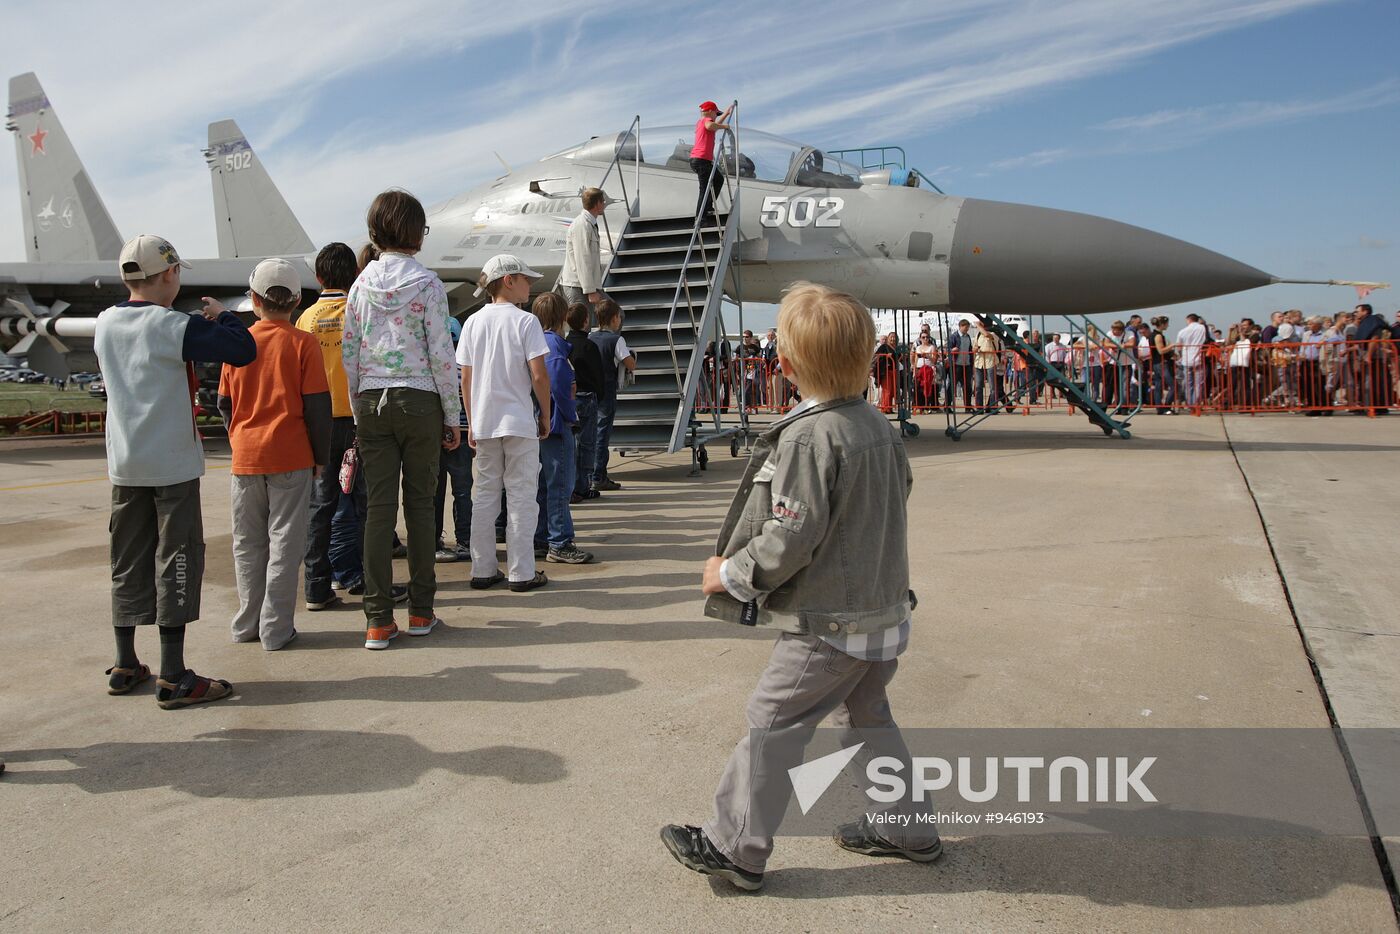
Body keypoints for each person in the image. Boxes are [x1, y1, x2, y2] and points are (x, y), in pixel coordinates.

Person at [660, 282, 935, 892]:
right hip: (884, 611)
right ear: (867, 358)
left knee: (773, 721)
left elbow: (790, 538)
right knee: (867, 716)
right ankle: (909, 828)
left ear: (783, 366)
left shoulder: (810, 437)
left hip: (829, 623)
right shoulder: (879, 426)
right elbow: (898, 497)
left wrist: (730, 575)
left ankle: (736, 848)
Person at [94, 234, 253, 708]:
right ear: (168, 275)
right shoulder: (170, 325)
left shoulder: (105, 323)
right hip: (171, 466)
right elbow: (242, 349)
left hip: (125, 465)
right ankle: (174, 674)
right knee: (177, 559)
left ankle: (125, 663)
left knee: (126, 561)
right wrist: (221, 314)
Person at [343, 189, 462, 650]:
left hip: (373, 398)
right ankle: (420, 611)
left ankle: (376, 620)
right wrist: (452, 415)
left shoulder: (360, 286)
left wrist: (358, 408)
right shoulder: (429, 284)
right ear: (416, 233)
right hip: (420, 398)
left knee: (378, 511)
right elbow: (441, 354)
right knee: (421, 506)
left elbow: (350, 354)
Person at [213, 258, 330, 651]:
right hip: (291, 455)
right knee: (285, 543)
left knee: (247, 543)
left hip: (246, 456)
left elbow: (224, 404)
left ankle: (246, 622)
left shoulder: (238, 344)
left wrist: (239, 439)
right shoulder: (302, 343)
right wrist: (320, 456)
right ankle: (276, 629)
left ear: (253, 299)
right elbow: (316, 407)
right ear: (296, 300)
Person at [297, 243, 410, 610]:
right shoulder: (359, 311)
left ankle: (316, 583)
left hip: (315, 421)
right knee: (366, 503)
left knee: (321, 504)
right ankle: (366, 577)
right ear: (355, 276)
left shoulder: (306, 319)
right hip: (358, 417)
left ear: (317, 277)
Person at [460, 254, 552, 592]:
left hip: (484, 421)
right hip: (518, 421)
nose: (531, 284)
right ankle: (521, 571)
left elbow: (466, 379)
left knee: (484, 495)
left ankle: (482, 569)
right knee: (521, 496)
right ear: (509, 280)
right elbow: (539, 376)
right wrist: (545, 412)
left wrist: (471, 421)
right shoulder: (526, 322)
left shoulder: (472, 322)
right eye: (526, 278)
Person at [531, 293, 594, 564]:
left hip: (539, 423)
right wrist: (571, 415)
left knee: (544, 485)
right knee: (560, 484)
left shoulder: (536, 341)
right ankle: (560, 541)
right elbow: (557, 385)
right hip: (556, 424)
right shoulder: (555, 345)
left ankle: (542, 537)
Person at [434, 314, 474, 562]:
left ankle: (434, 541)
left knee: (434, 493)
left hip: (435, 439)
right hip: (462, 437)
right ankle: (465, 542)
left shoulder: (431, 369)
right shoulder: (464, 369)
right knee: (463, 492)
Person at [589, 299, 636, 492]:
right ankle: (599, 475)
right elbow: (629, 363)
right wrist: (632, 356)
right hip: (607, 389)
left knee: (590, 433)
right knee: (603, 433)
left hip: (590, 389)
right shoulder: (617, 340)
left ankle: (590, 473)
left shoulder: (591, 337)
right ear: (615, 318)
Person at [565, 302, 604, 502]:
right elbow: (598, 375)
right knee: (587, 444)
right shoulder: (589, 345)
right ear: (585, 321)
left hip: (569, 398)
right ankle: (583, 486)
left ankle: (570, 487)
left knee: (570, 445)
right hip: (587, 396)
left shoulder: (564, 344)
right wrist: (601, 394)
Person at [558, 187, 607, 306]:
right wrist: (590, 291)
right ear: (597, 204)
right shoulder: (582, 225)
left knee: (615, 315)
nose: (605, 204)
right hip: (577, 287)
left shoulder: (590, 224)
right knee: (582, 324)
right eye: (603, 201)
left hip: (585, 286)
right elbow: (582, 259)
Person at [690, 100, 733, 221]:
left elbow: (714, 126)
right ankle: (700, 218)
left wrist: (726, 114)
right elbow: (711, 125)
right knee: (704, 188)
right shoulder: (706, 122)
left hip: (700, 160)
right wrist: (725, 126)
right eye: (716, 113)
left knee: (718, 179)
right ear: (709, 112)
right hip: (701, 160)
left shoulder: (701, 122)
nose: (716, 116)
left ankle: (708, 206)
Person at [1176, 314, 1208, 409]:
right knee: (1198, 383)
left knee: (1188, 383)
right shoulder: (1202, 328)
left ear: (1188, 320)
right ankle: (1196, 403)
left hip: (1186, 359)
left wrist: (1181, 354)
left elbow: (1178, 346)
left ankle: (1190, 403)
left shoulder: (1182, 331)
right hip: (1198, 358)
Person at [972, 320, 1002, 413]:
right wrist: (976, 349)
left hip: (990, 362)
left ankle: (993, 407)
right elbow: (973, 348)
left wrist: (978, 325)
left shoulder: (992, 334)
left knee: (992, 387)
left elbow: (987, 334)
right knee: (978, 386)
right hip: (979, 362)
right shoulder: (977, 335)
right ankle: (979, 407)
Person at [945, 319, 973, 411]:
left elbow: (970, 349)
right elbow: (947, 350)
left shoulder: (968, 336)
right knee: (952, 386)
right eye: (966, 328)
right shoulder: (954, 336)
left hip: (966, 364)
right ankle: (947, 405)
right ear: (960, 326)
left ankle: (968, 406)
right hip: (956, 364)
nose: (967, 330)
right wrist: (953, 350)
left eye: (968, 328)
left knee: (967, 386)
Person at [872, 331, 899, 413]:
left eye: (895, 337)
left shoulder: (896, 348)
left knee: (892, 390)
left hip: (894, 371)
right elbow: (876, 356)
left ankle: (889, 407)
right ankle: (885, 407)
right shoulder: (884, 346)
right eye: (891, 337)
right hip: (885, 371)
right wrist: (886, 356)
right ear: (888, 338)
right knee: (886, 390)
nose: (893, 339)